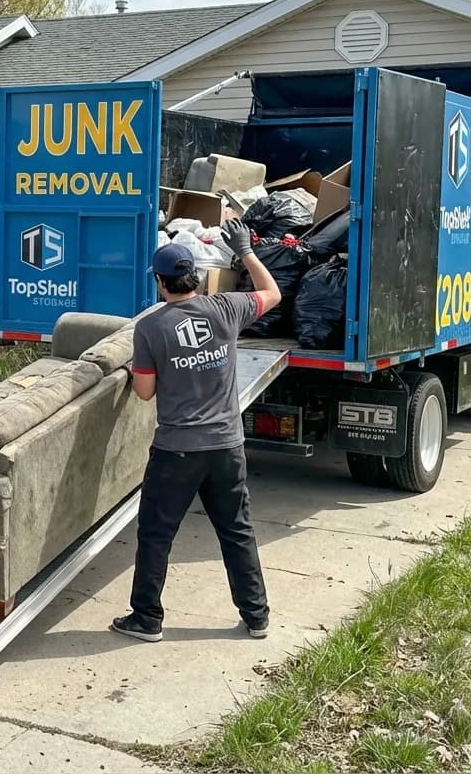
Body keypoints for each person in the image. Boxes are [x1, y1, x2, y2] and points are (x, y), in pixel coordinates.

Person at [111, 219, 281, 643]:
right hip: (228, 446)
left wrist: (137, 369)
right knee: (236, 531)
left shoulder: (151, 328)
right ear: (196, 277)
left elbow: (145, 393)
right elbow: (273, 293)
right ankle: (256, 617)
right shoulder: (226, 308)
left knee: (156, 534)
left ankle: (147, 618)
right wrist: (245, 251)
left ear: (159, 282)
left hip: (177, 451)